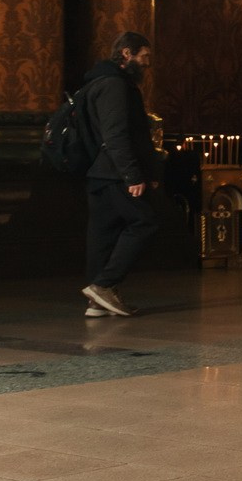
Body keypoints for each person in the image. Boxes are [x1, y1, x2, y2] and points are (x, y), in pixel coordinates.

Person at [81, 32, 163, 318]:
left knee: (102, 234)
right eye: (144, 56)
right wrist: (133, 175)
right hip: (115, 172)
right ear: (127, 54)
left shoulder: (99, 82)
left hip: (101, 172)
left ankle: (97, 301)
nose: (147, 63)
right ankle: (103, 285)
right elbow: (117, 135)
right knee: (144, 221)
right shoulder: (115, 85)